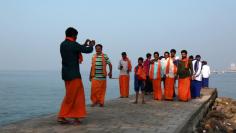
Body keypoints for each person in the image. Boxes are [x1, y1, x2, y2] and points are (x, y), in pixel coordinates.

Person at [58, 27, 95, 124]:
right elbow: (87, 50)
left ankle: (74, 116)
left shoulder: (63, 44)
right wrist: (91, 45)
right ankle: (64, 115)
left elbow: (77, 49)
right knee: (75, 96)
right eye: (76, 36)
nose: (76, 37)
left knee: (72, 95)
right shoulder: (73, 44)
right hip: (74, 74)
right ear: (74, 35)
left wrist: (84, 44)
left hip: (66, 74)